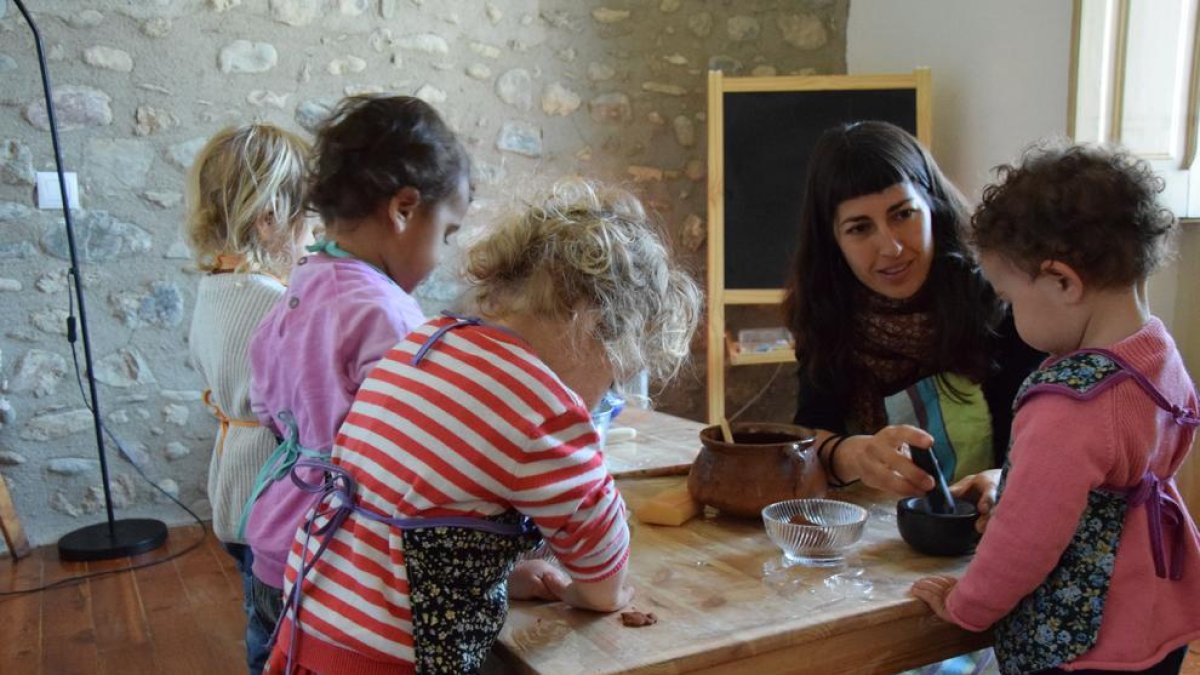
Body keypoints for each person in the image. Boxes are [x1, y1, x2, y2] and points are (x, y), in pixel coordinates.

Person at [263, 178, 703, 674]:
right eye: (615, 371)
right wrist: (599, 592)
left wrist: (505, 573)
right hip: (388, 660)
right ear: (592, 322)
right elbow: (600, 548)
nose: (606, 393)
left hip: (313, 624)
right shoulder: (541, 404)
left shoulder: (427, 343)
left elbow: (424, 513)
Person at [912, 143, 1200, 674]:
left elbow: (1025, 539)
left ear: (1062, 281)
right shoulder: (1158, 352)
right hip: (1160, 613)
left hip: (1084, 642)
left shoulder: (1070, 404)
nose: (1008, 314)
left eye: (1009, 298)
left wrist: (967, 606)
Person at [241, 94, 473, 641]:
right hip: (339, 560)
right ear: (404, 208)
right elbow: (416, 451)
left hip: (273, 544)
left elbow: (265, 404)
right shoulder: (387, 313)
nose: (441, 255)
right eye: (447, 234)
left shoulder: (302, 282)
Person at [783, 120, 1043, 513]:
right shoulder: (827, 312)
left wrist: (1001, 477)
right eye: (859, 228)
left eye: (903, 214)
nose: (890, 247)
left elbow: (1043, 437)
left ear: (933, 208)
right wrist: (854, 454)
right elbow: (809, 432)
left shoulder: (1000, 300)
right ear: (833, 241)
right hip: (874, 542)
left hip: (993, 531)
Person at [184, 122, 312, 675]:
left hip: (234, 489)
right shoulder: (276, 304)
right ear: (269, 219)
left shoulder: (212, 288)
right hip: (276, 501)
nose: (313, 236)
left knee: (260, 625)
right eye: (309, 222)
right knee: (287, 633)